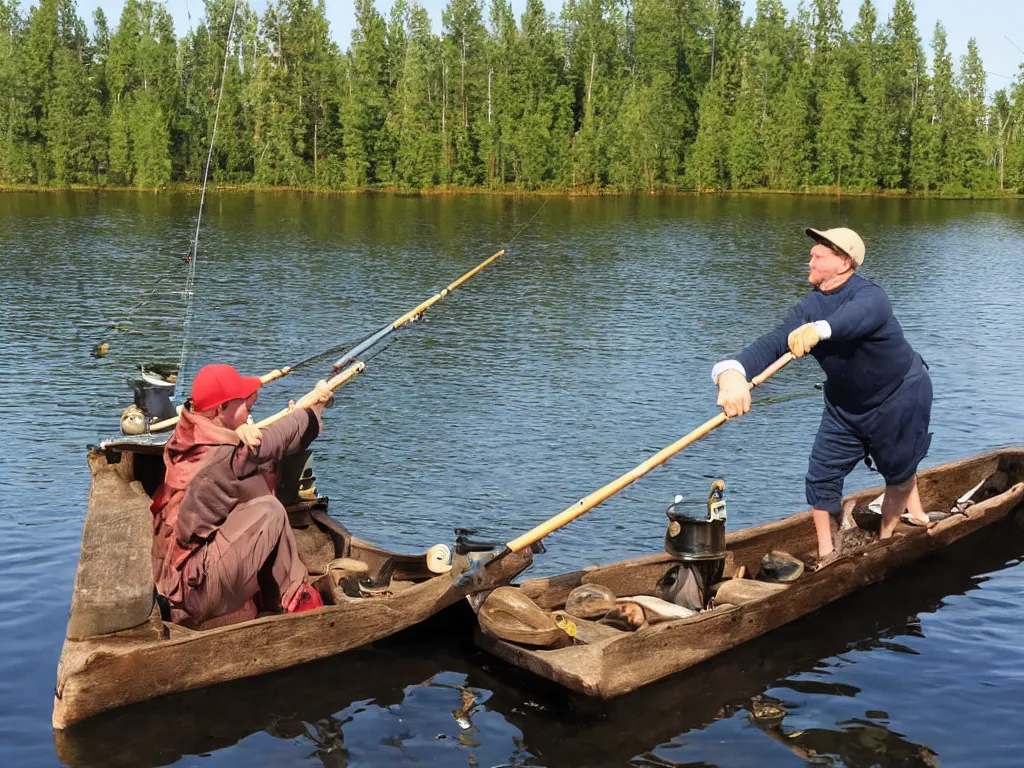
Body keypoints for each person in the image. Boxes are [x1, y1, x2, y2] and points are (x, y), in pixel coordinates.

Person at [713, 227, 933, 568]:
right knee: (821, 477)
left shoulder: (871, 296)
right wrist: (730, 374)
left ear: (843, 263)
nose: (810, 260)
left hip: (899, 397)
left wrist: (819, 330)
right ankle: (827, 554)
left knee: (899, 472)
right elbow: (772, 342)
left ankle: (887, 543)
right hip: (844, 408)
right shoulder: (810, 306)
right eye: (812, 255)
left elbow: (853, 320)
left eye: (819, 256)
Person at [150, 363, 333, 626]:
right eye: (243, 402)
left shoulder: (191, 428)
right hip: (191, 593)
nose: (250, 403)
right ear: (220, 408)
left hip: (179, 579)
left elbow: (267, 448)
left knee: (260, 505)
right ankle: (292, 600)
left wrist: (304, 412)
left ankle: (275, 597)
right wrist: (311, 409)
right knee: (269, 512)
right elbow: (269, 444)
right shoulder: (222, 453)